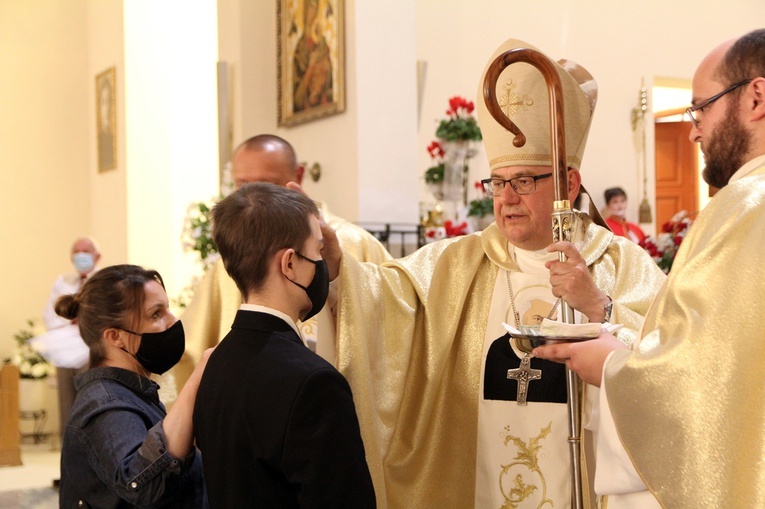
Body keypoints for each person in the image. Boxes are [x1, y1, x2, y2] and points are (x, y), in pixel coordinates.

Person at [317, 38, 666, 508]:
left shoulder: (621, 264)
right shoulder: (457, 264)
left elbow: (670, 364)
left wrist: (599, 306)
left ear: (569, 184)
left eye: (523, 181)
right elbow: (385, 302)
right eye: (498, 183)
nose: (505, 199)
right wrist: (339, 270)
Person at [533, 29, 765, 508]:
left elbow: (703, 383)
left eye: (701, 107)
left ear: (756, 97)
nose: (694, 128)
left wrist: (611, 366)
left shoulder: (747, 207)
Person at [193, 182, 375, 507]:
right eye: (318, 251)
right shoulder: (315, 383)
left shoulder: (217, 361)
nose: (323, 264)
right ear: (289, 263)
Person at [175, 134, 391, 387]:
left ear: (297, 176)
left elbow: (392, 327)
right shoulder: (233, 254)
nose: (255, 200)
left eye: (268, 185)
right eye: (243, 186)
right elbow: (191, 351)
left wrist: (343, 276)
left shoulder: (355, 243)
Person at [56, 264, 211, 508]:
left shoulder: (129, 392)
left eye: (168, 309)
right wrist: (197, 378)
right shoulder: (105, 405)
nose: (174, 321)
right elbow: (144, 484)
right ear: (115, 337)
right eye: (156, 314)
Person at [40, 237, 100, 444]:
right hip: (64, 348)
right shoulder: (62, 283)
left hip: (91, 349)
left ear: (97, 256)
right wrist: (70, 320)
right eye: (77, 251)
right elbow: (49, 314)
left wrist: (83, 320)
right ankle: (68, 455)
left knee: (90, 401)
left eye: (86, 250)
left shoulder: (103, 281)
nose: (81, 255)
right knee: (67, 404)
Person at [293, 0, 333, 112]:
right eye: (310, 7)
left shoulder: (322, 43)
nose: (312, 12)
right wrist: (311, 66)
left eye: (315, 8)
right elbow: (296, 100)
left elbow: (330, 86)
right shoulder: (300, 48)